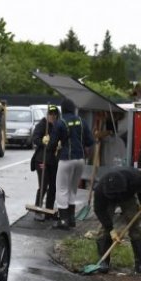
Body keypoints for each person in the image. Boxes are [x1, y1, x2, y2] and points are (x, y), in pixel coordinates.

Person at [93, 167, 141, 274]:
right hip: (107, 200)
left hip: (127, 196)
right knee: (104, 228)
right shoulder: (100, 189)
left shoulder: (134, 177)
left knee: (136, 226)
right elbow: (99, 210)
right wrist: (110, 229)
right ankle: (104, 261)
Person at [50, 98, 93, 230]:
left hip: (66, 159)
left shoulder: (60, 122)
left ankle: (63, 220)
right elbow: (90, 141)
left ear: (62, 109)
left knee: (62, 189)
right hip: (80, 160)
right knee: (73, 189)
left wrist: (51, 149)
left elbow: (53, 143)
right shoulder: (82, 121)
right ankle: (72, 219)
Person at [30, 105, 60, 220]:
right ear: (47, 114)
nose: (52, 116)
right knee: (43, 184)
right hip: (41, 160)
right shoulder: (42, 125)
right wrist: (44, 141)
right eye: (50, 114)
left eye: (54, 114)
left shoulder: (57, 126)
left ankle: (48, 211)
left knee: (53, 186)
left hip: (53, 161)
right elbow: (35, 139)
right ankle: (38, 209)